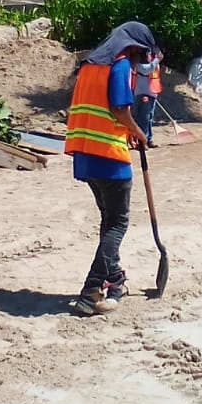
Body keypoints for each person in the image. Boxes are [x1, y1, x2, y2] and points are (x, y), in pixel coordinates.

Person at [65, 21, 155, 316]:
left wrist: (125, 129)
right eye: (141, 54)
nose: (141, 60)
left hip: (85, 155)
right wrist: (139, 132)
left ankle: (115, 280)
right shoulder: (119, 66)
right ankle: (91, 291)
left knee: (109, 221)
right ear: (133, 48)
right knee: (117, 223)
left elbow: (102, 111)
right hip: (110, 157)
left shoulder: (89, 66)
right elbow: (119, 108)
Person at [133, 48, 164, 148]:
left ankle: (148, 139)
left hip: (152, 93)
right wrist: (157, 59)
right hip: (142, 93)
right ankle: (142, 141)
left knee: (148, 118)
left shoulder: (153, 62)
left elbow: (153, 71)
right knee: (143, 118)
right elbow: (147, 70)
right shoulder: (139, 64)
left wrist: (156, 60)